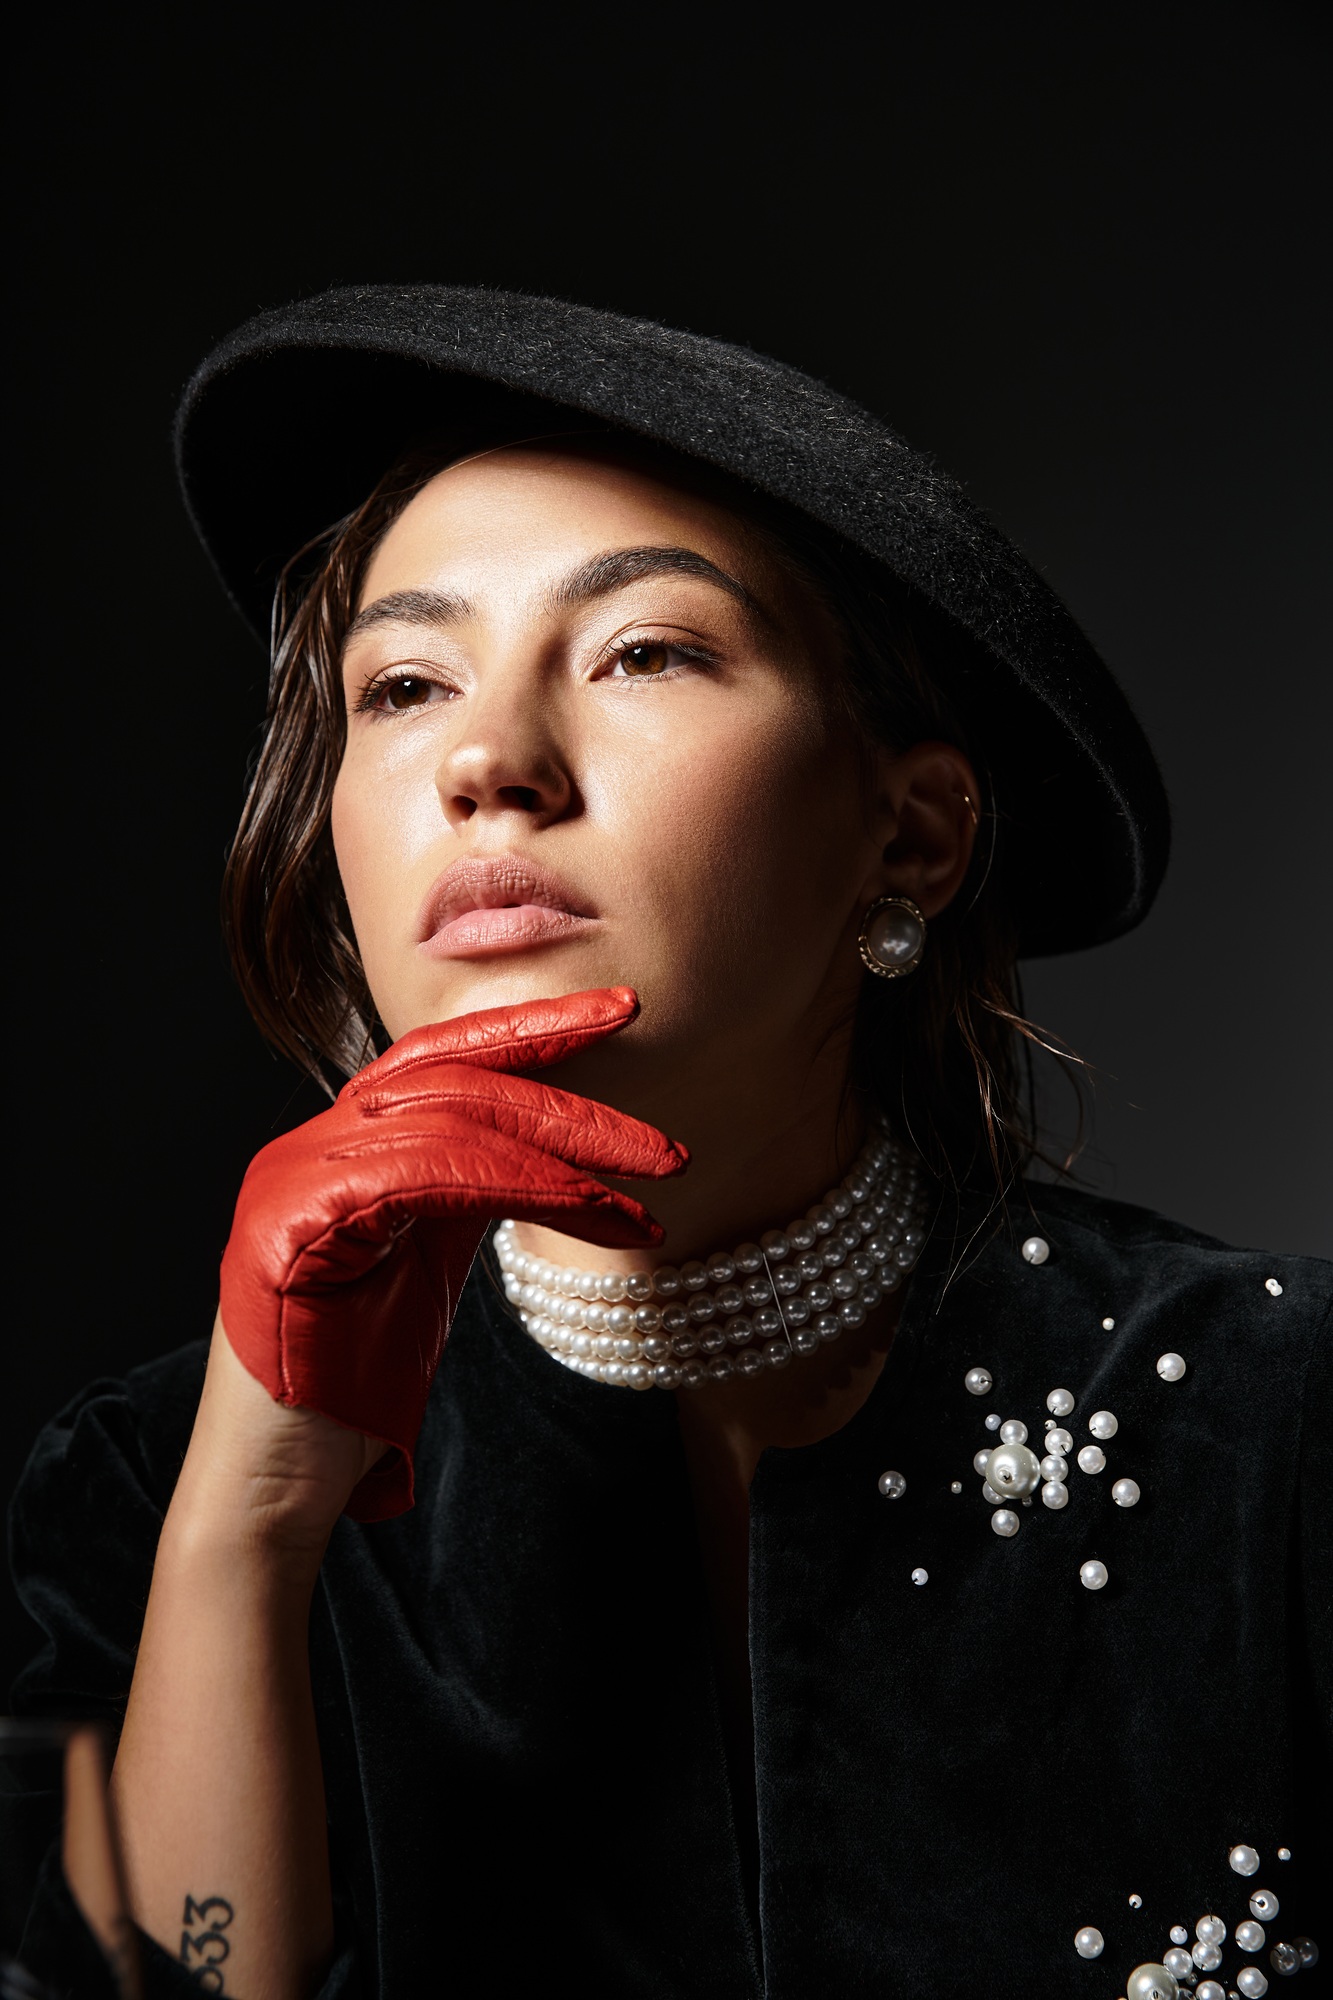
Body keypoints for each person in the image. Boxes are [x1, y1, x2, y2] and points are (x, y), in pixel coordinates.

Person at [8, 288, 1329, 2000]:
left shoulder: (1275, 1427)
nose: (489, 761)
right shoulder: (146, 1488)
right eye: (403, 684)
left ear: (909, 833)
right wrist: (247, 1528)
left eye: (641, 652)